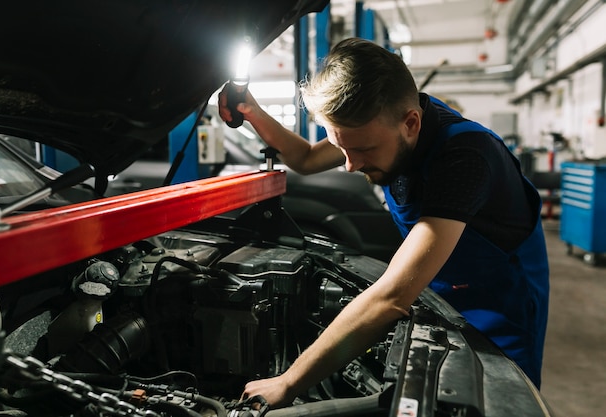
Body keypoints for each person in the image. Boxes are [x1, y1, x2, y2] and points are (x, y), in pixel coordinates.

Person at [218, 37, 549, 407]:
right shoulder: (376, 123)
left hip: (497, 312)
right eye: (341, 147)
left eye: (362, 151)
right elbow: (307, 159)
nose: (349, 164)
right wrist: (251, 109)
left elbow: (392, 297)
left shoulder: (467, 157)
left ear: (411, 123)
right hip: (438, 294)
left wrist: (289, 381)